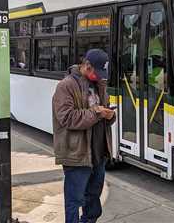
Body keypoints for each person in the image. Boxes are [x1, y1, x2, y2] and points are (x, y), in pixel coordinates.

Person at [52, 49, 116, 223]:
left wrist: (110, 115)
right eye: (97, 72)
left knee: (93, 198)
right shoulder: (66, 86)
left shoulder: (99, 85)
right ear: (86, 65)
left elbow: (104, 113)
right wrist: (97, 113)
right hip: (77, 154)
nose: (100, 77)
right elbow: (67, 118)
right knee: (74, 200)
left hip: (98, 154)